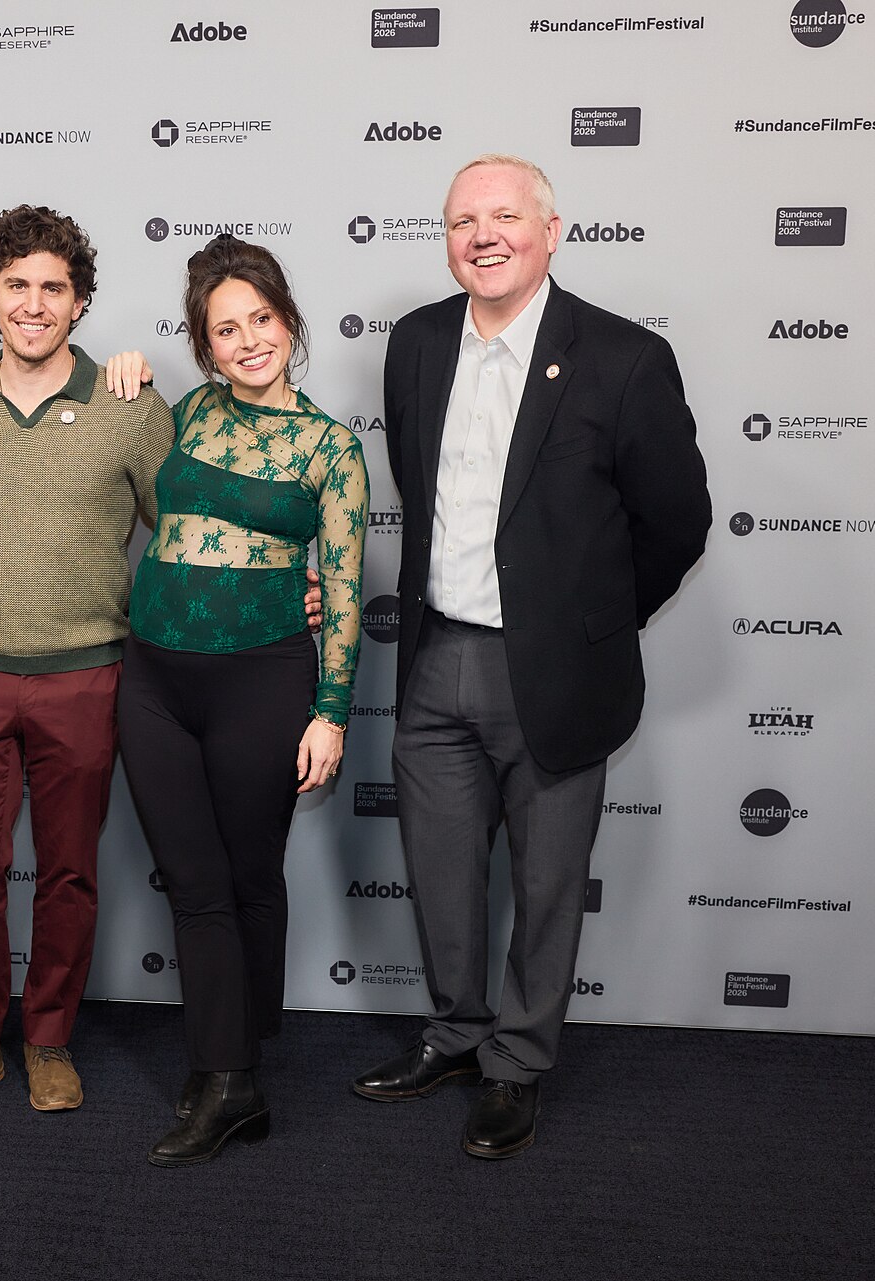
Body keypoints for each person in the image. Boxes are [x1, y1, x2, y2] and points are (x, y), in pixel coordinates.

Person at [355, 154, 710, 1158]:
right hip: (433, 660)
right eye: (464, 219)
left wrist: (590, 623)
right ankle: (457, 1034)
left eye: (505, 215)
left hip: (550, 674)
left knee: (548, 883)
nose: (484, 234)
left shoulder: (624, 358)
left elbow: (676, 521)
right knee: (440, 872)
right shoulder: (419, 342)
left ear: (552, 231)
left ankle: (516, 1066)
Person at [0, 205, 176, 1119]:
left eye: (52, 287)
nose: (32, 303)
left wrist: (278, 584)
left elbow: (183, 534)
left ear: (81, 300)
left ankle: (50, 1038)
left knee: (68, 869)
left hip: (86, 674)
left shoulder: (130, 408)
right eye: (15, 285)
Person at [118, 235, 368, 1167]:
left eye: (260, 318)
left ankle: (237, 1063)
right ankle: (230, 1072)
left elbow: (342, 590)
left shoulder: (331, 448)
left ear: (289, 322)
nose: (248, 339)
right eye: (226, 329)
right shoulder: (181, 415)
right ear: (205, 345)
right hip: (153, 676)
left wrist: (332, 709)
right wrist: (128, 376)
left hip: (263, 676)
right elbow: (157, 510)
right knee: (194, 879)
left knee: (249, 874)